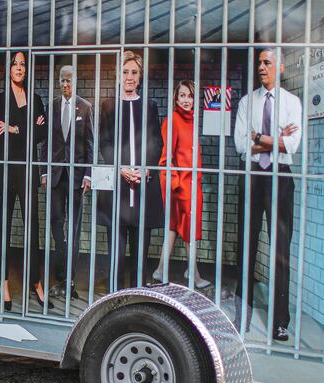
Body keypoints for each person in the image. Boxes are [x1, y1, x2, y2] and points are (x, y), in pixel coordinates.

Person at [233, 48, 301, 341]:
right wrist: (276, 140)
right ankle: (241, 316)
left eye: (267, 62)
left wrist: (258, 138)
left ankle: (279, 322)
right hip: (251, 177)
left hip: (280, 180)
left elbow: (292, 146)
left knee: (281, 253)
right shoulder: (247, 102)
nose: (261, 67)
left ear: (280, 67)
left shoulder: (292, 102)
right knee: (245, 247)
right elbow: (239, 144)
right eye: (259, 62)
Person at [98, 50, 164, 291]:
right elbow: (104, 143)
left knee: (139, 258)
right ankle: (115, 302)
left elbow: (157, 142)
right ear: (118, 75)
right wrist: (121, 169)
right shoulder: (108, 105)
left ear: (140, 76)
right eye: (125, 72)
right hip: (118, 192)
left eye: (134, 72)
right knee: (116, 255)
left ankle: (136, 303)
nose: (129, 77)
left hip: (143, 189)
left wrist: (146, 170)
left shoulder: (150, 106)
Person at [0, 51, 51, 311]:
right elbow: (0, 133)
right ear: (8, 69)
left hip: (28, 169)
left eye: (22, 64)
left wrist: (15, 128)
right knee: (1, 225)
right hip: (5, 167)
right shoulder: (0, 100)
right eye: (14, 64)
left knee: (32, 227)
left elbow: (41, 133)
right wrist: (27, 127)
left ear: (27, 69)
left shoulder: (36, 99)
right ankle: (2, 281)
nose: (18, 67)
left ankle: (36, 281)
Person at [40, 65, 94, 299]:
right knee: (56, 226)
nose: (65, 84)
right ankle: (61, 271)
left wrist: (89, 174)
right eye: (62, 80)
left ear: (76, 81)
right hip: (54, 177)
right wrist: (43, 171)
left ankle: (68, 281)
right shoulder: (52, 106)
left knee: (74, 229)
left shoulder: (85, 107)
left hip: (76, 178)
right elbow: (46, 142)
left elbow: (91, 144)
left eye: (69, 80)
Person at [153, 81, 210, 289]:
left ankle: (160, 270)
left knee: (175, 228)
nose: (187, 100)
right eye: (183, 96)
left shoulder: (192, 121)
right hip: (181, 187)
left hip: (192, 184)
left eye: (190, 96)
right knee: (189, 230)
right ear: (176, 98)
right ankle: (193, 275)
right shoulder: (172, 120)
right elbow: (166, 158)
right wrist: (176, 185)